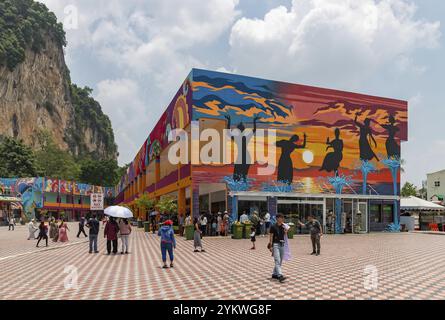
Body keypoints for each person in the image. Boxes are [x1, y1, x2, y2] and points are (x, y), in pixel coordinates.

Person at [268, 213, 287, 283]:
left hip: (282, 244)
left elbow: (284, 235)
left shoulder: (283, 226)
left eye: (283, 218)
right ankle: (280, 275)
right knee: (277, 260)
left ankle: (274, 274)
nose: (282, 219)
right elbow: (271, 236)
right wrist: (270, 245)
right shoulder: (273, 226)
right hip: (275, 244)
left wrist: (285, 232)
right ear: (277, 218)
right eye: (281, 218)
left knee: (280, 260)